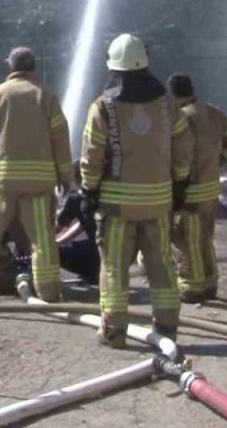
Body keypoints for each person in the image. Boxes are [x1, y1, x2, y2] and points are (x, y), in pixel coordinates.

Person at [81, 34, 195, 347]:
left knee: (115, 268)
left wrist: (88, 189)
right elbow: (184, 147)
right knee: (161, 265)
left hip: (117, 206)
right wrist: (180, 182)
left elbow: (92, 154)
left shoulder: (103, 107)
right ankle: (167, 328)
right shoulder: (168, 104)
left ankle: (114, 331)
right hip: (159, 202)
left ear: (113, 68)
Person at [0, 47, 74, 303]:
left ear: (10, 67)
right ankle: (49, 292)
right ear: (34, 67)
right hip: (37, 184)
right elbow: (60, 138)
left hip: (1, 183)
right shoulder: (46, 96)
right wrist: (65, 177)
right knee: (42, 241)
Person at [167, 74, 227, 304]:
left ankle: (192, 288)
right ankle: (210, 285)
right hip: (210, 190)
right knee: (205, 239)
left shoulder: (179, 117)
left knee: (186, 240)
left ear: (172, 93)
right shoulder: (212, 112)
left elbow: (176, 154)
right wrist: (223, 157)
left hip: (189, 191)